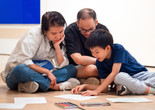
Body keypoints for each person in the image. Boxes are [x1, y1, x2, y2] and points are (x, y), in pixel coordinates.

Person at [1, 11, 80, 93]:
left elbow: (61, 64)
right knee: (20, 69)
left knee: (71, 69)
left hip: (39, 73)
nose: (58, 36)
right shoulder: (33, 34)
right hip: (20, 73)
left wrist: (57, 47)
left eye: (61, 32)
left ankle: (29, 85)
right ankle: (54, 86)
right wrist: (47, 72)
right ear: (45, 31)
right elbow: (24, 61)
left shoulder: (59, 39)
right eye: (54, 33)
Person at [71, 29, 155, 96]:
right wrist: (85, 86)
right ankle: (150, 90)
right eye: (92, 52)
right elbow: (104, 88)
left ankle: (133, 88)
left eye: (97, 52)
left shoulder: (118, 48)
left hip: (140, 75)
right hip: (124, 79)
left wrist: (97, 91)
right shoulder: (99, 62)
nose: (94, 55)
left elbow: (114, 72)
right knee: (119, 77)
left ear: (107, 48)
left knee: (118, 77)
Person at [65, 8, 109, 78]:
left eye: (91, 29)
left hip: (99, 63)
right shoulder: (70, 31)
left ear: (96, 23)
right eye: (83, 30)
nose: (88, 33)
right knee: (92, 69)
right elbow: (78, 59)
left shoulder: (102, 30)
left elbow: (108, 54)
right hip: (77, 67)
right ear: (77, 23)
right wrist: (100, 61)